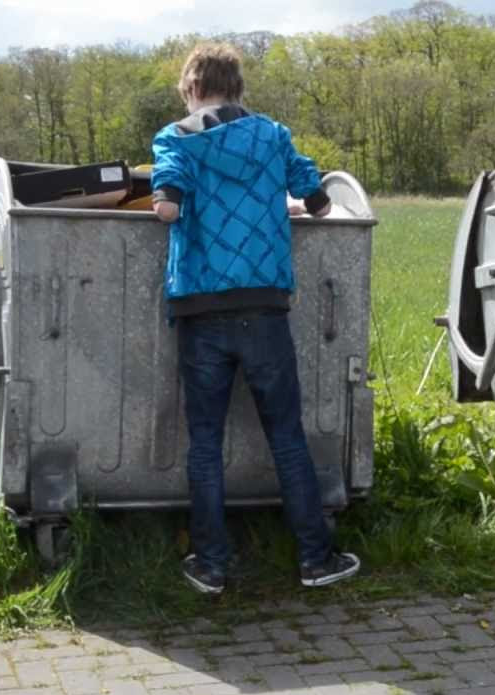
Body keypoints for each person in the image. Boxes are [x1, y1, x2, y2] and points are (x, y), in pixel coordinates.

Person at [150, 42, 360, 594]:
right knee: (287, 436)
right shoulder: (272, 135)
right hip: (265, 305)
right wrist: (292, 201)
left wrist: (171, 199)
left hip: (201, 307)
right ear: (238, 88)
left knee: (204, 441)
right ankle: (316, 558)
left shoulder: (177, 137)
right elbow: (315, 197)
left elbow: (167, 199)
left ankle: (211, 564)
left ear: (192, 89)